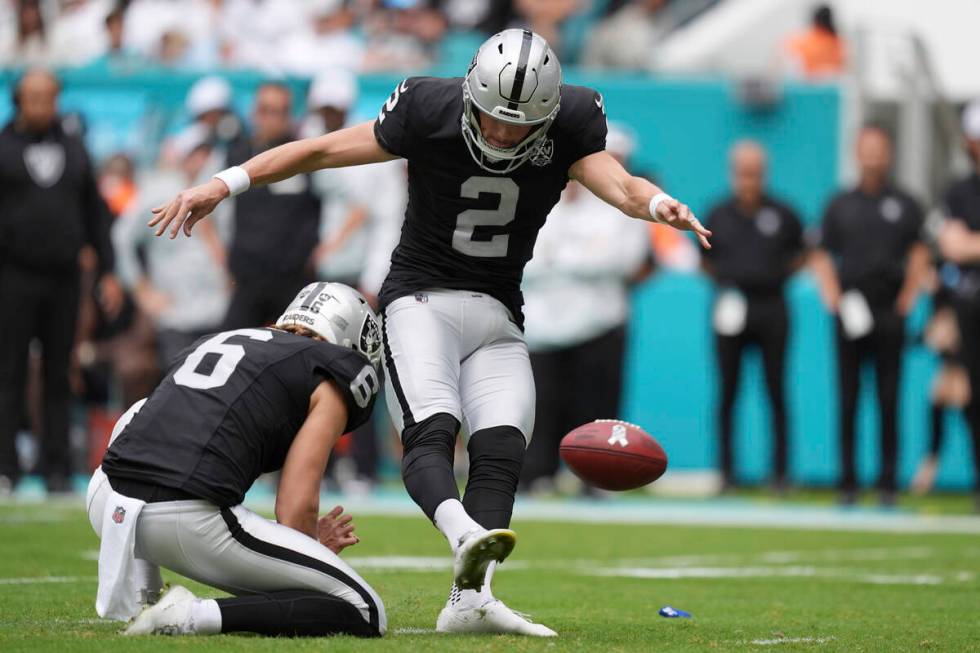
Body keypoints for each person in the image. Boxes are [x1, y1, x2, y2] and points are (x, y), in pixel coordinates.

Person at [148, 28, 711, 636]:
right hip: (420, 298)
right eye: (492, 117)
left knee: (501, 448)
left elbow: (623, 187)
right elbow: (319, 150)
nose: (500, 134)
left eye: (517, 125)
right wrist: (223, 183)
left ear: (547, 117)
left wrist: (660, 205)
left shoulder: (573, 120)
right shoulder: (427, 107)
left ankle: (470, 601)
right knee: (432, 430)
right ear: (470, 96)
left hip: (499, 308)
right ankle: (462, 532)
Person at [86, 282, 386, 637]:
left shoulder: (221, 340)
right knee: (365, 609)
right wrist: (310, 549)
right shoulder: (331, 369)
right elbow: (295, 507)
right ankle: (192, 615)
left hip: (106, 499)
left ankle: (144, 589)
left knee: (142, 413)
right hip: (183, 515)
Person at [0, 69, 123, 494]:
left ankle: (55, 468)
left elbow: (95, 212)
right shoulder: (3, 146)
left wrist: (107, 270)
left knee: (59, 372)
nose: (41, 105)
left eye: (48, 97)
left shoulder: (74, 148)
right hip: (12, 275)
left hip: (64, 278)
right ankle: (6, 468)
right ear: (19, 100)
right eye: (33, 97)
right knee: (9, 370)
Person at [519, 123, 652, 492]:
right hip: (545, 326)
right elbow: (526, 260)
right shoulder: (545, 200)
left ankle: (594, 479)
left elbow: (623, 260)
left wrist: (562, 262)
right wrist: (579, 260)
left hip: (599, 322)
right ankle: (536, 476)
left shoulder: (622, 207)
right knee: (540, 406)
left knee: (595, 406)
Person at [811, 125, 928, 506]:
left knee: (888, 399)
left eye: (880, 149)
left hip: (889, 309)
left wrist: (909, 297)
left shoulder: (906, 203)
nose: (874, 156)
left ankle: (888, 483)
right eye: (867, 149)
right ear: (857, 153)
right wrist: (832, 297)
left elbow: (920, 252)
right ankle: (848, 483)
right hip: (851, 310)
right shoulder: (840, 203)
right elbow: (822, 252)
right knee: (849, 398)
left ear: (889, 154)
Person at [703, 141, 805, 493]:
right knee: (728, 391)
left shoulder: (784, 213)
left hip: (772, 306)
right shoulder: (717, 214)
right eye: (744, 172)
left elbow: (800, 255)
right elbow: (705, 260)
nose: (750, 180)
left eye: (755, 172)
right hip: (730, 304)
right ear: (734, 173)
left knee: (775, 389)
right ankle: (727, 473)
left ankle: (780, 473)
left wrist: (771, 277)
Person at [221, 82, 322, 330]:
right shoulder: (237, 155)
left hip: (293, 278)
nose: (273, 119)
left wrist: (325, 248)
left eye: (281, 111)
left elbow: (335, 202)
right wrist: (222, 260)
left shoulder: (302, 154)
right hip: (247, 277)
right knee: (232, 346)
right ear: (255, 113)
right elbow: (213, 211)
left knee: (297, 352)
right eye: (267, 110)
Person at [936, 99, 980, 510]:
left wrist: (972, 244)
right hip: (971, 306)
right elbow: (951, 246)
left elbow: (965, 245)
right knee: (974, 393)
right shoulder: (960, 190)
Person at [783, 4, 846, 80]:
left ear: (815, 20)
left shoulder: (803, 40)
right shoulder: (838, 42)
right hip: (828, 85)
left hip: (809, 84)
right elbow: (841, 67)